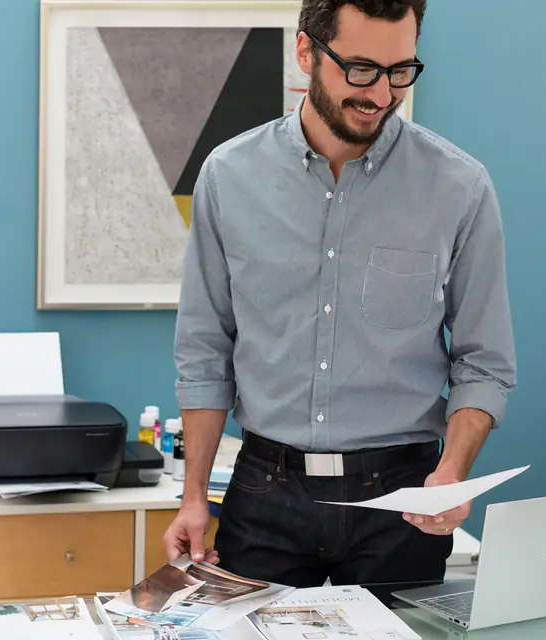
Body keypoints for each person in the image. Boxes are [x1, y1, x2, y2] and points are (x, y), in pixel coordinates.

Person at [164, 0, 516, 589]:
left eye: (399, 71)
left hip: (401, 500)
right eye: (360, 69)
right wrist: (193, 496)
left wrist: (452, 472)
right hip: (263, 492)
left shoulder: (460, 188)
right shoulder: (228, 176)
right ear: (306, 51)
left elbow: (484, 361)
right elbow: (204, 351)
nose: (380, 94)